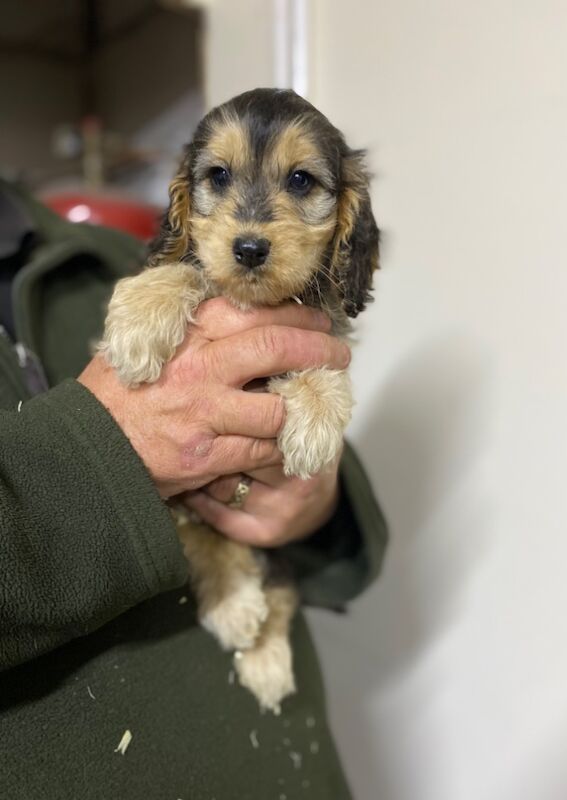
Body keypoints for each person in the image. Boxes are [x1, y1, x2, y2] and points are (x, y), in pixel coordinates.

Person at [0, 178, 387, 799]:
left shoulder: (105, 250)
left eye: (299, 183)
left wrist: (316, 501)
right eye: (219, 178)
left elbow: (323, 471)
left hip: (292, 765)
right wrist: (101, 448)